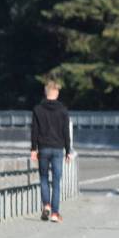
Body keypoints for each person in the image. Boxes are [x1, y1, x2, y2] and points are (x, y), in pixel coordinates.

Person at [30, 79, 73, 223]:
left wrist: (33, 149)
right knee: (56, 182)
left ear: (45, 92)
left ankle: (46, 205)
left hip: (43, 148)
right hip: (57, 149)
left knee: (43, 178)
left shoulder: (37, 109)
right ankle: (55, 213)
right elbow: (66, 131)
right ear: (57, 93)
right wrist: (68, 150)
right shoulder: (63, 110)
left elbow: (34, 131)